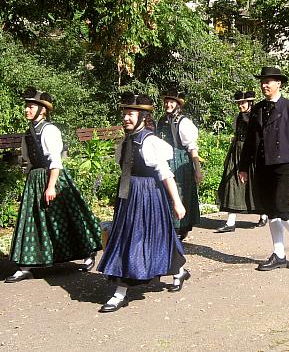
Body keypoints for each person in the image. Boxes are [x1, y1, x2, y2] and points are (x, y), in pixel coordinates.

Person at [97, 92, 189, 312]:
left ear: (142, 116)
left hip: (148, 197)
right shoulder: (125, 141)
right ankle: (178, 272)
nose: (126, 118)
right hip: (128, 196)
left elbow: (166, 174)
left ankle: (120, 292)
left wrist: (177, 203)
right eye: (125, 113)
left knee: (141, 240)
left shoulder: (150, 143)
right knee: (136, 239)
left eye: (131, 114)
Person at [6, 88, 102, 283]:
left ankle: (88, 254)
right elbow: (28, 160)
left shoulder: (50, 130)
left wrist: (51, 186)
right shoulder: (28, 133)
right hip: (35, 179)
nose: (27, 110)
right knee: (32, 220)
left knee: (67, 217)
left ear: (43, 110)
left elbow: (55, 160)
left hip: (53, 177)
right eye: (26, 106)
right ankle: (25, 266)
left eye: (31, 106)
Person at [239, 67, 289, 271]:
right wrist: (244, 167)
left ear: (279, 84)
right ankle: (278, 254)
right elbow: (250, 142)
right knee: (270, 209)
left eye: (268, 81)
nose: (264, 85)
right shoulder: (257, 109)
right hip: (262, 165)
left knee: (281, 206)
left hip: (283, 165)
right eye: (262, 81)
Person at [216, 90, 267, 232]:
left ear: (250, 103)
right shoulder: (238, 117)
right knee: (232, 183)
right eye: (239, 103)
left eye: (243, 103)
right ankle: (230, 222)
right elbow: (236, 133)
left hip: (252, 153)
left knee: (255, 185)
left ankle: (263, 214)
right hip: (237, 153)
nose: (240, 106)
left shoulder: (257, 116)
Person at [156, 88, 202, 240]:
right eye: (166, 102)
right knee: (165, 194)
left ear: (178, 105)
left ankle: (180, 229)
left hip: (180, 162)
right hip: (164, 161)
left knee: (181, 194)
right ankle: (168, 227)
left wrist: (197, 169)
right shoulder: (162, 121)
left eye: (171, 102)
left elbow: (192, 147)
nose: (168, 105)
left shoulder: (183, 122)